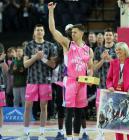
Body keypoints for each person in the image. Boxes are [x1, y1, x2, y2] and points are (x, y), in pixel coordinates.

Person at [48, 2, 93, 140]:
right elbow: (53, 30)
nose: (72, 34)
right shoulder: (68, 44)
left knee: (80, 112)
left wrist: (90, 78)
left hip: (82, 82)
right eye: (71, 32)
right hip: (70, 81)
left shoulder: (88, 49)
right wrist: (51, 11)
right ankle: (68, 138)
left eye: (74, 32)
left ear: (81, 33)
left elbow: (90, 67)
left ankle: (76, 136)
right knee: (69, 111)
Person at [22, 24, 57, 140]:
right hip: (32, 80)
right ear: (34, 32)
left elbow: (53, 64)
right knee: (27, 106)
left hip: (45, 80)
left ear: (44, 32)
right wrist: (35, 57)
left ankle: (42, 133)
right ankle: (26, 131)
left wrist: (43, 58)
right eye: (37, 30)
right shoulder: (28, 45)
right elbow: (25, 64)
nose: (39, 31)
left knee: (44, 106)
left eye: (41, 30)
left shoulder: (50, 45)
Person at [106, 42, 129, 140]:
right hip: (117, 96)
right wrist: (110, 86)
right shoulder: (113, 62)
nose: (117, 51)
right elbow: (109, 79)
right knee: (118, 124)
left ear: (125, 50)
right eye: (116, 49)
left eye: (119, 49)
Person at [0, 43, 8, 139]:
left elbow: (6, 71)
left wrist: (2, 60)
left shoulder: (2, 59)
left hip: (0, 87)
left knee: (0, 110)